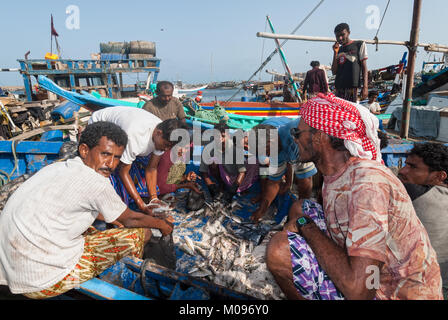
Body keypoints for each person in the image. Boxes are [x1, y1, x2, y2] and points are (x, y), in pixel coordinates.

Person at [266, 93, 443, 300]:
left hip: (390, 290)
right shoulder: (337, 171)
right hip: (372, 266)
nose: (294, 139)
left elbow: (360, 292)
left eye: (298, 133)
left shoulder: (366, 186)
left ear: (320, 137)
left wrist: (306, 225)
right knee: (300, 207)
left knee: (279, 250)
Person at [0, 121, 173, 299]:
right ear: (84, 150)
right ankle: (124, 280)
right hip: (39, 280)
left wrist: (112, 218)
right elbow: (131, 220)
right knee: (140, 234)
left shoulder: (57, 167)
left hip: (10, 269)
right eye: (105, 154)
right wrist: (161, 224)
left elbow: (79, 206)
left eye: (116, 157)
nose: (111, 164)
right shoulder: (95, 181)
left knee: (94, 228)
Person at [88, 106, 188, 213]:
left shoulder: (163, 134)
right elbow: (123, 172)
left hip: (127, 133)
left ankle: (141, 195)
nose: (166, 149)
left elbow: (152, 168)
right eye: (166, 145)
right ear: (158, 133)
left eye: (170, 146)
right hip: (99, 129)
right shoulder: (135, 136)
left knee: (147, 165)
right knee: (111, 173)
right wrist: (141, 205)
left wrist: (154, 198)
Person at [398, 143, 448, 290]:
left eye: (413, 167)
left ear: (440, 176)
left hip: (416, 286)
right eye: (406, 164)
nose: (403, 170)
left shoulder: (413, 192)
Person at [249, 117, 317, 223]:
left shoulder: (296, 139)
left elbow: (306, 180)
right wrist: (261, 210)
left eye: (267, 151)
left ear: (271, 141)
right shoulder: (275, 150)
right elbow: (273, 183)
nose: (267, 155)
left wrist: (301, 213)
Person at [201, 123, 258, 203]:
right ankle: (222, 184)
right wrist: (210, 184)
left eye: (223, 136)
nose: (221, 139)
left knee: (254, 161)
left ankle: (242, 188)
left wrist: (234, 188)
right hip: (221, 169)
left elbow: (242, 172)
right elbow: (203, 170)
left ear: (228, 135)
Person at [331, 23, 369, 102]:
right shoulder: (338, 49)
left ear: (349, 33)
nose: (340, 38)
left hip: (352, 87)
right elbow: (334, 71)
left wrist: (365, 87)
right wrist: (335, 53)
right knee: (340, 113)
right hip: (339, 87)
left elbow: (364, 67)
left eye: (342, 35)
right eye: (337, 36)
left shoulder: (359, 44)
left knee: (351, 111)